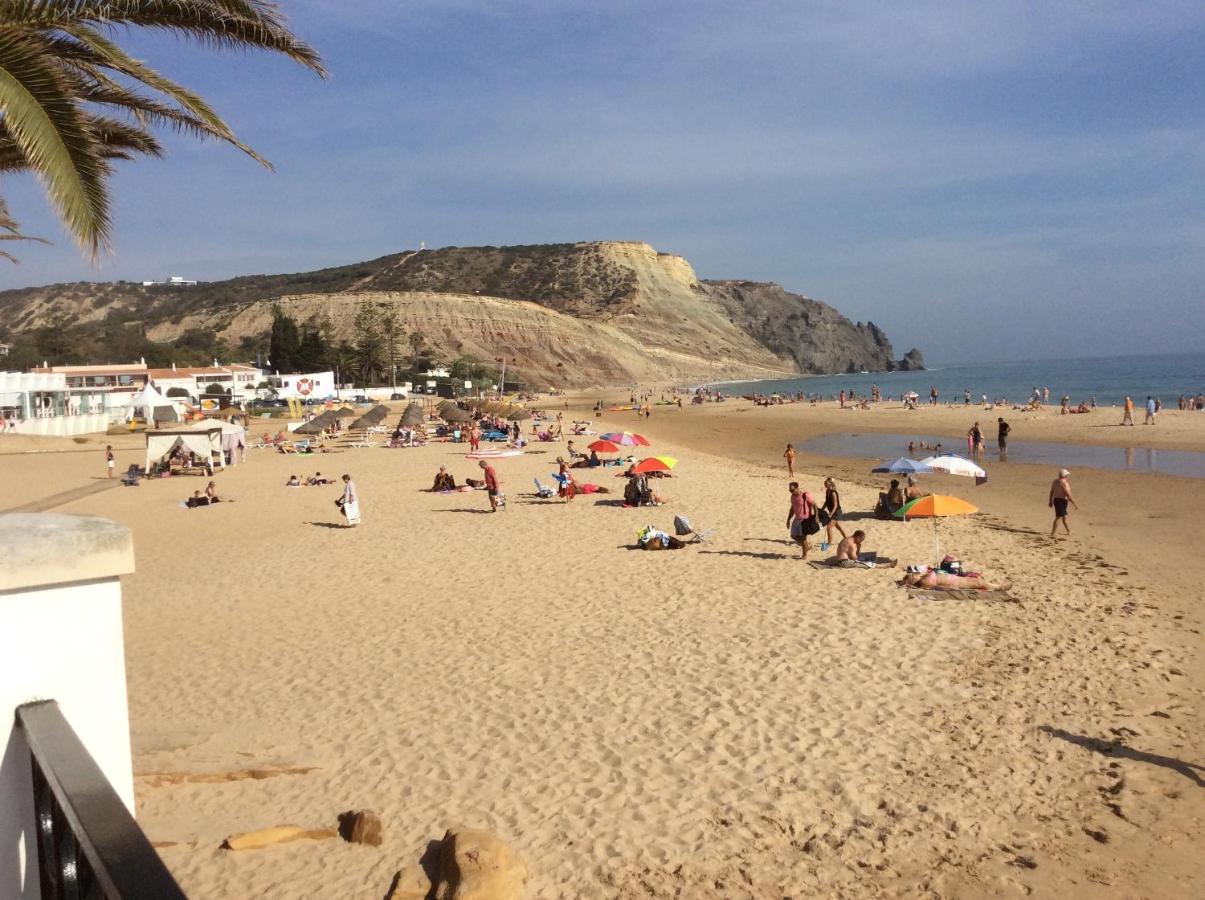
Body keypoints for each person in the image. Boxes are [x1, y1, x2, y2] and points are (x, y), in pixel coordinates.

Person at [786, 482, 818, 559]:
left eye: (793, 490)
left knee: (802, 538)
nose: (792, 492)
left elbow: (815, 505)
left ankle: (804, 555)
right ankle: (807, 546)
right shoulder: (792, 496)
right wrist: (788, 520)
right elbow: (792, 509)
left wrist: (817, 517)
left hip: (805, 519)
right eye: (790, 490)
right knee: (793, 535)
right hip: (797, 519)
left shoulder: (805, 495)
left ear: (797, 488)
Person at [900, 569, 1011, 591]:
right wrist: (949, 589)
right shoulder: (924, 583)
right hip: (954, 582)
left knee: (977, 580)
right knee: (978, 583)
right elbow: (936, 587)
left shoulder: (924, 576)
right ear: (913, 582)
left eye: (911, 575)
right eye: (911, 578)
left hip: (955, 578)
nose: (913, 576)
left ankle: (997, 585)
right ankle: (999, 587)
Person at [1049, 468, 1078, 537]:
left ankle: (1068, 530)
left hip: (1056, 500)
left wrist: (1050, 500)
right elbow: (1068, 495)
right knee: (1058, 517)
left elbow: (1052, 491)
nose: (1068, 476)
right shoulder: (1065, 483)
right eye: (1067, 475)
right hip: (1062, 502)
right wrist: (1074, 504)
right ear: (1065, 476)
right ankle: (1053, 533)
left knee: (1064, 517)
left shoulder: (1055, 481)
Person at [821, 477, 848, 546]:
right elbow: (826, 502)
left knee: (829, 527)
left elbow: (835, 505)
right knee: (838, 526)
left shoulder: (833, 493)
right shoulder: (827, 491)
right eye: (825, 483)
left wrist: (831, 514)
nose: (825, 484)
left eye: (826, 483)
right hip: (833, 512)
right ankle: (846, 539)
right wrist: (822, 509)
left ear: (830, 484)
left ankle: (829, 543)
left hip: (836, 513)